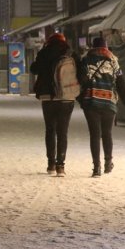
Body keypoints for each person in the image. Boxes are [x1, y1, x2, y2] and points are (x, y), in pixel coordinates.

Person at [78, 37, 125, 177]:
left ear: (92, 47)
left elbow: (81, 81)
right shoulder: (113, 62)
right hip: (109, 102)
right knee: (107, 133)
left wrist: (80, 98)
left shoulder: (86, 61)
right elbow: (122, 84)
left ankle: (96, 167)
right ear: (106, 48)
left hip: (91, 102)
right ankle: (108, 163)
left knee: (95, 135)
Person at [29, 33, 82, 177]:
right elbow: (81, 71)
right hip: (66, 96)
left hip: (48, 97)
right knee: (62, 132)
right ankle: (61, 166)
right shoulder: (71, 53)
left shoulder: (44, 52)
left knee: (50, 130)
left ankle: (51, 164)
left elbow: (33, 69)